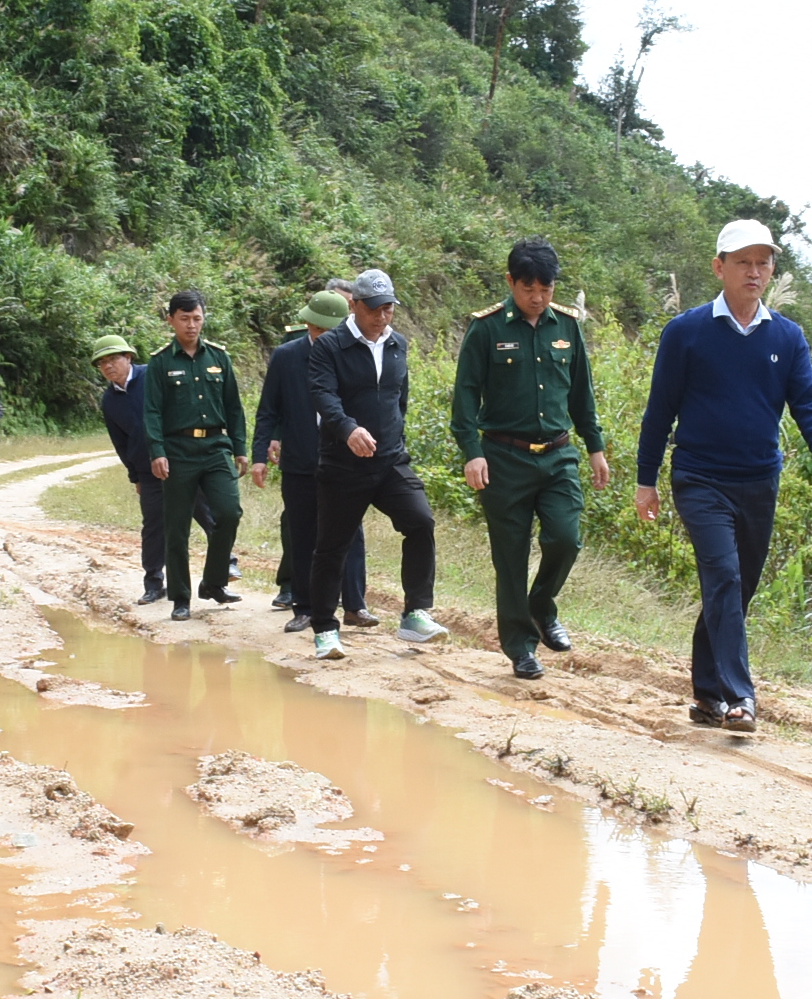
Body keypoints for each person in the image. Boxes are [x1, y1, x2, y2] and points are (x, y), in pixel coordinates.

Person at [635, 218, 812, 734]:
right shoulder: (686, 332)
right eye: (743, 261)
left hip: (758, 481)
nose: (754, 271)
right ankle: (739, 697)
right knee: (723, 577)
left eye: (763, 261)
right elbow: (659, 411)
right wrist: (646, 479)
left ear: (773, 269)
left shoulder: (787, 337)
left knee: (736, 588)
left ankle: (707, 694)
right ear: (719, 267)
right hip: (700, 477)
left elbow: (809, 402)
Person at [454, 236, 611, 680]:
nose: (538, 298)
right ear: (510, 282)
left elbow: (582, 393)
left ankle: (541, 605)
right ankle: (520, 646)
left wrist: (595, 447)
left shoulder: (567, 326)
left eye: (546, 289)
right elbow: (465, 395)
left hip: (559, 456)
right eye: (528, 289)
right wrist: (472, 452)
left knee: (566, 537)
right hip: (503, 458)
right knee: (510, 556)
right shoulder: (486, 328)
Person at [304, 268, 444, 659]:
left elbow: (400, 398)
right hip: (342, 464)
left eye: (389, 309)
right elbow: (323, 396)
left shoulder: (397, 344)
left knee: (421, 521)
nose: (382, 317)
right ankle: (325, 630)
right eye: (376, 310)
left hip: (389, 461)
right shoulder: (329, 347)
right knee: (332, 547)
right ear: (355, 305)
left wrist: (394, 440)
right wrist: (348, 429)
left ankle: (415, 613)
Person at [252, 289, 368, 632]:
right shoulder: (286, 357)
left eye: (330, 332)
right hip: (301, 461)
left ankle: (355, 605)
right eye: (317, 331)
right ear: (307, 325)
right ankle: (304, 607)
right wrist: (260, 455)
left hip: (345, 462)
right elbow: (268, 409)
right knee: (302, 536)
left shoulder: (356, 355)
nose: (323, 338)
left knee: (351, 534)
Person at [140, 290, 247, 621]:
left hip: (216, 448)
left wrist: (240, 449)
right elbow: (152, 411)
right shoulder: (160, 362)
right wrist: (157, 452)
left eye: (197, 318)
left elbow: (233, 406)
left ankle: (213, 583)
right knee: (177, 528)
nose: (191, 325)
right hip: (178, 452)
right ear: (171, 319)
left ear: (203, 319)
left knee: (229, 513)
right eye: (184, 319)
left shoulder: (218, 357)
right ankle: (180, 598)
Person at [95, 334, 224, 605]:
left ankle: (221, 572)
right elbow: (120, 442)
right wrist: (134, 475)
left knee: (208, 515)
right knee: (153, 526)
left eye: (113, 359)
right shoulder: (109, 401)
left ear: (128, 357)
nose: (108, 366)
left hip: (181, 461)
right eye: (102, 363)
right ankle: (154, 583)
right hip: (148, 471)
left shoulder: (152, 375)